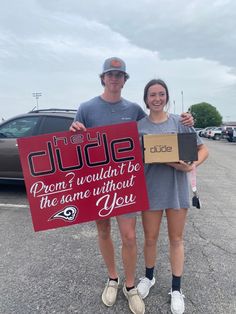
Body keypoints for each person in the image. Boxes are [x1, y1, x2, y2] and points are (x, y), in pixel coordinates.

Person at [69, 58, 194, 314]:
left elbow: (155, 124)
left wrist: (186, 120)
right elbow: (75, 143)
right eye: (110, 75)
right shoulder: (86, 108)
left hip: (125, 183)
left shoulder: (135, 110)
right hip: (98, 183)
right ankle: (112, 279)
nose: (114, 79)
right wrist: (73, 132)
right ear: (103, 78)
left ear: (125, 80)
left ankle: (130, 286)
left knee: (129, 236)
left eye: (119, 75)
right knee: (103, 232)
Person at [137, 79, 209, 314]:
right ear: (146, 99)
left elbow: (202, 149)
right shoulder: (139, 127)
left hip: (177, 190)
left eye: (161, 94)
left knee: (176, 239)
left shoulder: (181, 122)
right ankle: (149, 277)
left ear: (166, 97)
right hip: (150, 190)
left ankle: (176, 290)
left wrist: (190, 166)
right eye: (152, 95)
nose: (157, 99)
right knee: (150, 238)